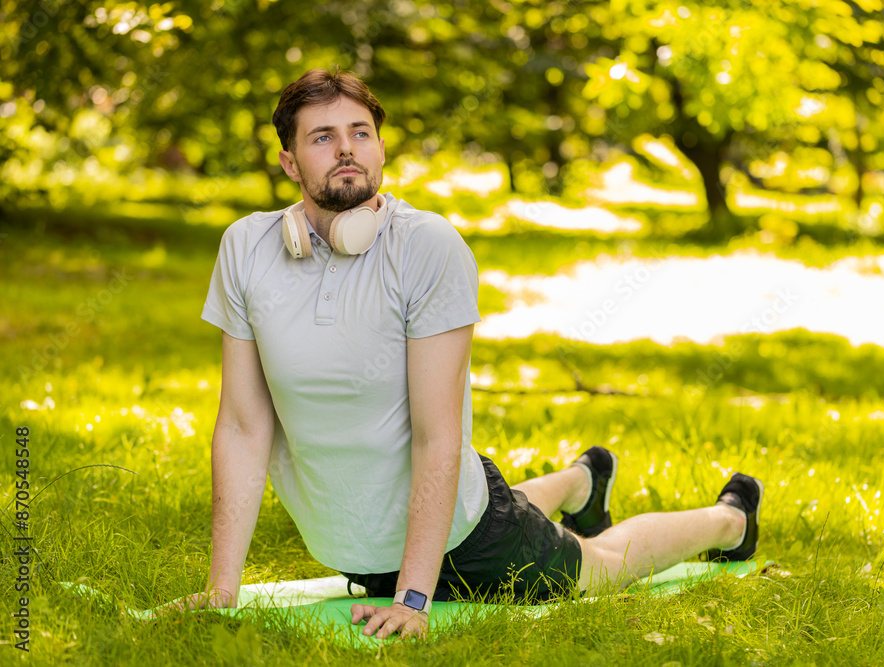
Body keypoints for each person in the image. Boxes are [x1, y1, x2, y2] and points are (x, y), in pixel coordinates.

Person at [198, 67, 764, 640]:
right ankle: (580, 482)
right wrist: (220, 594)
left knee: (602, 567)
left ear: (381, 146)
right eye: (322, 136)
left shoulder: (427, 247)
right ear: (289, 162)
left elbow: (437, 436)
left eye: (360, 132)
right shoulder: (247, 248)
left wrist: (414, 598)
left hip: (467, 538)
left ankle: (729, 520)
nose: (346, 148)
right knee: (507, 502)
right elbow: (244, 427)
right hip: (355, 548)